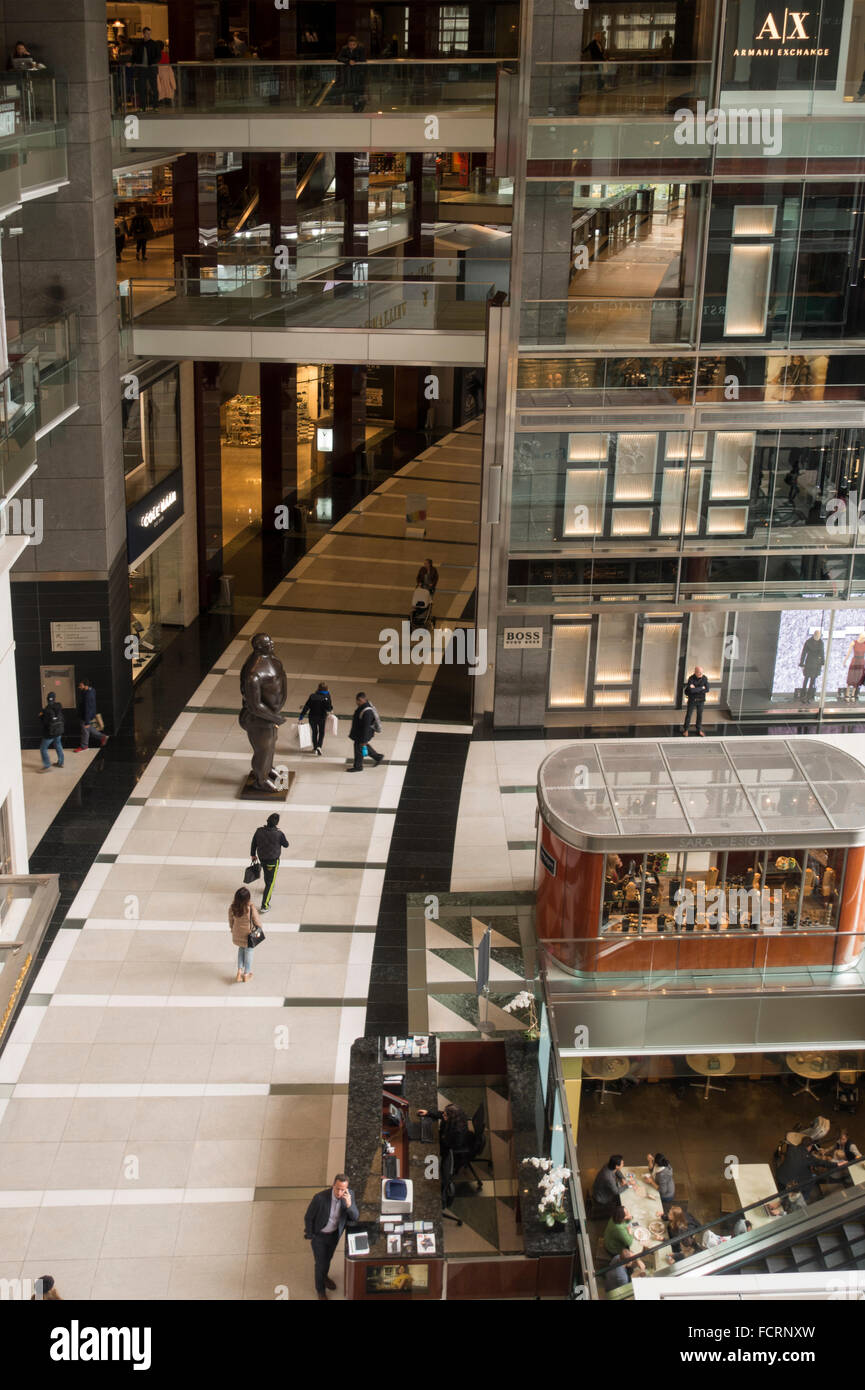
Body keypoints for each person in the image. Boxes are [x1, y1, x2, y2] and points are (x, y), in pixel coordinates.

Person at [304, 1173, 359, 1300]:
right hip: (319, 1236)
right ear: (333, 1185)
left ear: (346, 1189)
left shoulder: (349, 1195)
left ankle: (324, 1277)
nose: (339, 1192)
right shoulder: (320, 1198)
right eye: (337, 1188)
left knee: (327, 1259)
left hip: (334, 1235)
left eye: (343, 1190)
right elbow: (308, 1217)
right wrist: (310, 1234)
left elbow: (355, 1217)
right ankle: (320, 1290)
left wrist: (349, 1205)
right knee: (320, 1264)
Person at [775, 1137, 836, 1207]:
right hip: (790, 1184)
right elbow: (821, 1163)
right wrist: (836, 1164)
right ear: (810, 1146)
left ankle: (781, 1200)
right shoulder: (808, 1158)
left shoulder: (792, 1148)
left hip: (780, 1176)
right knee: (811, 1181)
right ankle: (803, 1198)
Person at [250, 812, 289, 913]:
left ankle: (267, 887)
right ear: (276, 823)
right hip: (273, 861)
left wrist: (253, 854)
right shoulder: (279, 834)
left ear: (267, 821)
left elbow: (254, 843)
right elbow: (286, 845)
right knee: (270, 883)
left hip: (262, 859)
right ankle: (265, 905)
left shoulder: (259, 831)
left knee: (267, 875)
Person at [228, 884, 262, 982]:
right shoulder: (250, 908)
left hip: (237, 933)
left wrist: (232, 929)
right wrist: (259, 928)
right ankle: (246, 974)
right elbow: (257, 921)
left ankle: (239, 971)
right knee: (249, 951)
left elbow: (231, 921)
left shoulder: (232, 907)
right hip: (248, 935)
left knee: (241, 949)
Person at [347, 691, 384, 771]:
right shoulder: (363, 706)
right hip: (360, 733)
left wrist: (364, 740)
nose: (357, 702)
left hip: (362, 734)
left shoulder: (367, 711)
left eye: (358, 701)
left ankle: (358, 767)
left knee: (359, 749)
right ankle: (378, 757)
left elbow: (366, 727)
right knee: (361, 746)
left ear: (361, 700)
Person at [131, 27, 163, 111]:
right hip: (141, 69)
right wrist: (132, 62)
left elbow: (159, 56)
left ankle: (155, 106)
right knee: (142, 88)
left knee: (154, 87)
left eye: (149, 34)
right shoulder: (139, 45)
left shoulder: (154, 44)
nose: (148, 35)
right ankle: (142, 107)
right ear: (143, 34)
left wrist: (153, 62)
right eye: (147, 33)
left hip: (151, 68)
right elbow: (134, 55)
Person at [299, 681, 333, 756]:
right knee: (321, 732)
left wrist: (301, 716)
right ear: (327, 689)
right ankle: (319, 747)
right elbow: (329, 708)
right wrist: (330, 710)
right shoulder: (327, 697)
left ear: (318, 688)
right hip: (322, 717)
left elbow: (307, 707)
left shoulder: (312, 696)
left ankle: (315, 747)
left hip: (312, 717)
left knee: (314, 732)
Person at [336, 34, 367, 112]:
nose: (352, 46)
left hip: (359, 73)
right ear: (348, 44)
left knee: (360, 90)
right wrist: (348, 61)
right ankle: (355, 106)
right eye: (350, 45)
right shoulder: (344, 48)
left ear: (357, 43)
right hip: (349, 73)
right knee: (352, 90)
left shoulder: (361, 48)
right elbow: (339, 57)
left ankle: (361, 105)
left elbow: (363, 59)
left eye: (354, 45)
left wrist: (354, 61)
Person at [75, 679, 107, 751]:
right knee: (88, 728)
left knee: (85, 730)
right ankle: (102, 737)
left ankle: (84, 746)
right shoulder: (91, 690)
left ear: (85, 685)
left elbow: (87, 708)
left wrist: (87, 721)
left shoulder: (88, 695)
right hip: (87, 714)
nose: (79, 687)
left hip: (85, 715)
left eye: (81, 685)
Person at [39, 692, 65, 770]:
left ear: (47, 699)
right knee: (58, 745)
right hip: (58, 731)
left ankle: (47, 765)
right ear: (54, 698)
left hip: (49, 733)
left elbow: (45, 722)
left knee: (43, 748)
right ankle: (60, 763)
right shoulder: (59, 707)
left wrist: (41, 716)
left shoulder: (46, 710)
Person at [798, 628, 825, 701]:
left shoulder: (821, 643)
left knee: (813, 680)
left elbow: (822, 653)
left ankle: (810, 695)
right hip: (809, 662)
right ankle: (803, 694)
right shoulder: (808, 642)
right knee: (806, 678)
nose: (818, 637)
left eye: (819, 636)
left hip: (817, 663)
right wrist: (802, 663)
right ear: (814, 635)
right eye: (817, 635)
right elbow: (804, 653)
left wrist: (823, 662)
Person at [682, 665, 709, 736]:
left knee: (699, 715)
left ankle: (699, 730)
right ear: (695, 672)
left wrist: (696, 688)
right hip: (692, 700)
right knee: (689, 714)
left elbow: (707, 689)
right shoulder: (691, 678)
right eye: (699, 672)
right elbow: (691, 690)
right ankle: (686, 729)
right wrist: (701, 688)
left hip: (701, 700)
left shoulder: (704, 678)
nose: (701, 674)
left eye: (702, 672)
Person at [845, 630, 865, 702]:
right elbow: (849, 652)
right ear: (860, 637)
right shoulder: (854, 642)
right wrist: (845, 661)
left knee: (857, 678)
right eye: (862, 638)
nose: (863, 639)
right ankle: (847, 694)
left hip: (861, 662)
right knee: (850, 677)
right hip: (855, 661)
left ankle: (853, 694)